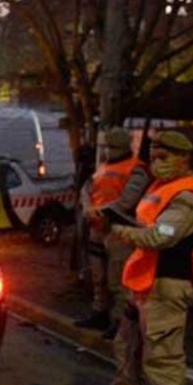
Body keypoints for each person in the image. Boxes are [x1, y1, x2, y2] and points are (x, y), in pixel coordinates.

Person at [84, 131, 193, 385]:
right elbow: (145, 226)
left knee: (162, 355)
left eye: (164, 157)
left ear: (184, 157)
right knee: (127, 347)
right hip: (143, 282)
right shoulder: (161, 187)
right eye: (155, 156)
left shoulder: (190, 195)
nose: (158, 163)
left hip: (168, 283)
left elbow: (161, 237)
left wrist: (115, 227)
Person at [75, 127, 151, 339]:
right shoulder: (103, 166)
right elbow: (87, 190)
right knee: (99, 276)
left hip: (119, 230)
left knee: (117, 279)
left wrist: (99, 212)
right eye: (107, 147)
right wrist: (89, 208)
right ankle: (100, 313)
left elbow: (128, 200)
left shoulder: (137, 169)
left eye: (112, 147)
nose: (108, 150)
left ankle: (119, 321)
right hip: (98, 227)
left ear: (123, 147)